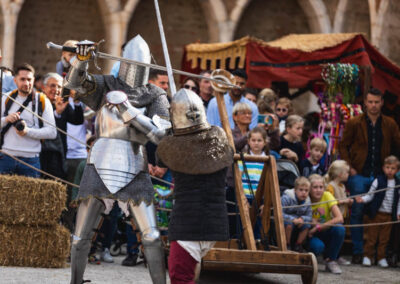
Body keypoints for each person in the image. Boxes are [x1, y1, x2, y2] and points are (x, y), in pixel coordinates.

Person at [64, 36, 170, 284]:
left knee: (152, 236)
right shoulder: (106, 84)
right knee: (80, 236)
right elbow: (75, 84)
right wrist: (81, 61)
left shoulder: (155, 94)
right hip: (99, 163)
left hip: (135, 163)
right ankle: (75, 282)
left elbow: (160, 134)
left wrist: (126, 109)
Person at [156, 88, 233, 284]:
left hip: (188, 224)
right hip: (214, 222)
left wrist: (168, 132)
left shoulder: (171, 145)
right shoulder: (219, 137)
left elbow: (160, 157)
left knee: (180, 277)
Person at [339, 87, 400, 264]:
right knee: (357, 210)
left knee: (384, 212)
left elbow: (397, 145)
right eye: (370, 102)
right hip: (359, 173)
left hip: (382, 176)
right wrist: (349, 167)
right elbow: (343, 145)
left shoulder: (390, 123)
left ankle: (378, 253)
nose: (373, 105)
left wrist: (394, 166)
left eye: (376, 102)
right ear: (365, 103)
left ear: (381, 103)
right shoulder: (354, 122)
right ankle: (359, 251)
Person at [0, 63, 56, 177]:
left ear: (34, 80)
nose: (26, 83)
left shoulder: (42, 100)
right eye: (22, 79)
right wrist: (6, 119)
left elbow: (52, 132)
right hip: (6, 157)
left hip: (31, 160)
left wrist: (27, 131)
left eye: (29, 79)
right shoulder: (6, 98)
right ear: (15, 81)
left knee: (31, 196)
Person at [355, 155, 400, 268]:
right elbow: (370, 196)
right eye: (387, 167)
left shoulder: (397, 183)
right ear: (384, 168)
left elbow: (399, 201)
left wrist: (398, 212)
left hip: (389, 216)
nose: (389, 170)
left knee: (384, 239)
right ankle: (367, 256)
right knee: (372, 237)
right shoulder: (378, 180)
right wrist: (362, 199)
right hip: (376, 214)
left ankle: (381, 257)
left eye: (393, 168)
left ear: (397, 170)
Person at [40, 72, 84, 180]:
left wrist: (77, 102)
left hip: (60, 154)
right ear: (44, 88)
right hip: (42, 152)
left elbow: (77, 121)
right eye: (52, 86)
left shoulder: (63, 103)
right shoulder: (38, 103)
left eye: (59, 86)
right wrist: (57, 114)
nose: (56, 89)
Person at [308, 174, 345, 274]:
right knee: (318, 247)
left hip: (322, 230)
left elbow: (339, 218)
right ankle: (308, 259)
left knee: (340, 229)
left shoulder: (327, 195)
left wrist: (317, 227)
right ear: (309, 188)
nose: (318, 190)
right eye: (315, 187)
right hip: (309, 234)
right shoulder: (306, 198)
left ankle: (331, 261)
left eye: (321, 187)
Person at [281, 176, 312, 252]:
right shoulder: (286, 198)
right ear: (295, 190)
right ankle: (287, 245)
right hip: (287, 220)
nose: (304, 193)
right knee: (288, 225)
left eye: (306, 190)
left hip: (299, 220)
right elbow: (280, 213)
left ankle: (298, 245)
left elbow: (309, 216)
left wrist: (302, 219)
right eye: (301, 190)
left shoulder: (307, 201)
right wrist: (293, 219)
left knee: (307, 225)